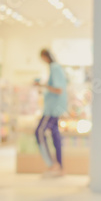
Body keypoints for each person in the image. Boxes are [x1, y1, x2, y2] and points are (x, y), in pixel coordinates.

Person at [34, 49, 67, 177]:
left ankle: (53, 164)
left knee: (39, 132)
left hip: (52, 109)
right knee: (55, 135)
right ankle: (59, 166)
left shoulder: (54, 67)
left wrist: (43, 85)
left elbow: (58, 89)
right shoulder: (57, 68)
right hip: (55, 108)